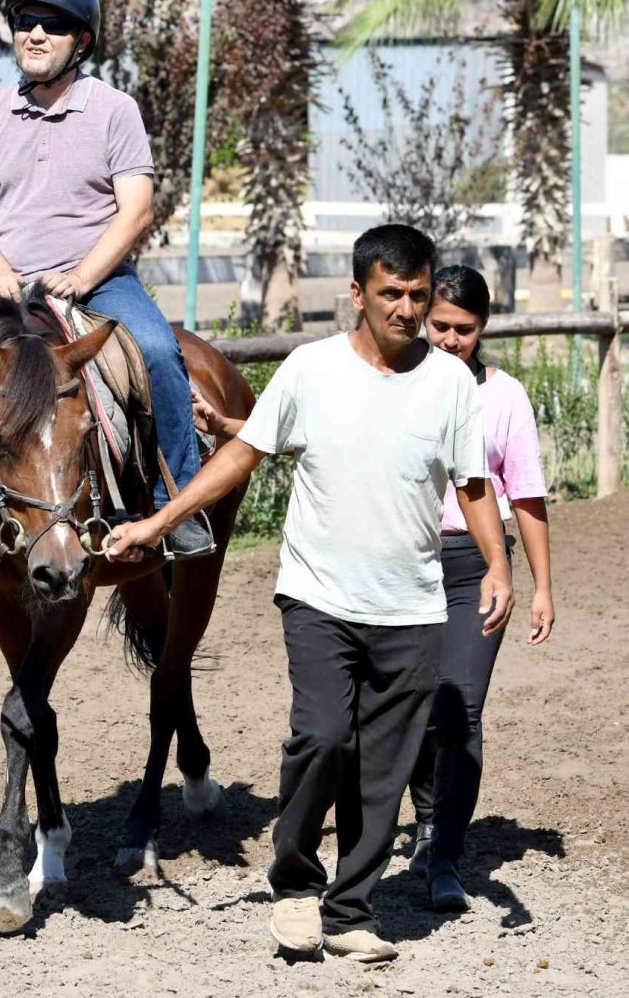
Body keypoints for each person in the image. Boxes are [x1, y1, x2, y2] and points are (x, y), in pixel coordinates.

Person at [104, 223, 514, 963]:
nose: (408, 309)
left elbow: (474, 484)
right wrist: (160, 521)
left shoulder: (452, 382)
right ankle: (296, 887)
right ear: (356, 293)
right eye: (392, 293)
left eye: (418, 295)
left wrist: (499, 565)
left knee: (383, 770)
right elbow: (240, 455)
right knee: (322, 737)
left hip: (412, 606)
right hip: (320, 597)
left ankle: (350, 907)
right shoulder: (309, 368)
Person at [0, 0, 211, 577]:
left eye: (54, 25)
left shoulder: (114, 111)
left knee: (157, 353)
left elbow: (136, 209)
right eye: (25, 22)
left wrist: (85, 275)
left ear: (82, 42)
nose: (35, 34)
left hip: (100, 281)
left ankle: (181, 504)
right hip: (7, 287)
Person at [406, 265, 555, 912]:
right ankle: (423, 815)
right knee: (407, 704)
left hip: (474, 567)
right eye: (440, 325)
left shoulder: (506, 397)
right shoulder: (390, 384)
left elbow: (524, 493)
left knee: (461, 708)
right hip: (401, 565)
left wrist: (542, 584)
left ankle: (443, 852)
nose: (450, 339)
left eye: (464, 330)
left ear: (482, 329)